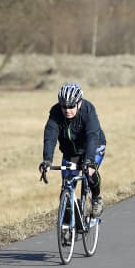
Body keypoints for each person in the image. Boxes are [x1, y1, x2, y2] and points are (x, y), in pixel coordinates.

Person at [39, 83, 106, 217]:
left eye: (71, 106)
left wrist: (89, 160)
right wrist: (47, 160)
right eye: (64, 106)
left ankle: (96, 198)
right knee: (67, 185)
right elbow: (50, 135)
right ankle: (68, 224)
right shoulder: (56, 112)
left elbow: (92, 135)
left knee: (89, 172)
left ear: (79, 103)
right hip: (71, 152)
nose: (67, 110)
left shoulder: (88, 110)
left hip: (93, 146)